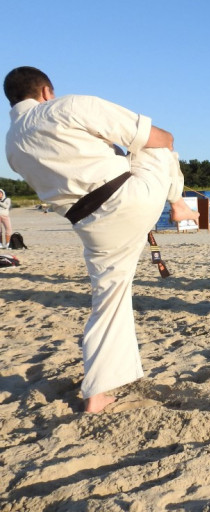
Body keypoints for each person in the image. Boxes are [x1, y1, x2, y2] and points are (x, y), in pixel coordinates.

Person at [4, 66, 199, 413]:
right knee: (157, 145)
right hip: (130, 199)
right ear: (46, 91)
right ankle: (179, 204)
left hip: (90, 225)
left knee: (108, 303)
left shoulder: (11, 145)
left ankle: (96, 394)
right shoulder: (66, 107)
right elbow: (161, 138)